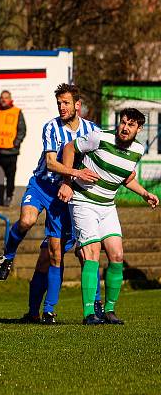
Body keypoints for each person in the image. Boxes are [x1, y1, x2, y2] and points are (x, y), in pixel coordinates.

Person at [0, 84, 102, 323]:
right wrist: (77, 173)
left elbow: (100, 160)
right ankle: (8, 255)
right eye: (59, 103)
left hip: (67, 196)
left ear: (77, 105)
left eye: (65, 103)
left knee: (55, 253)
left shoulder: (92, 130)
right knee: (27, 220)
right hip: (43, 185)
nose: (61, 107)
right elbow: (52, 163)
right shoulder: (51, 127)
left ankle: (50, 311)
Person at [58, 108, 158, 325]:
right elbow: (69, 148)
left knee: (117, 255)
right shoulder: (99, 137)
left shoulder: (138, 150)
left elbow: (125, 178)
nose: (125, 127)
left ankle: (110, 311)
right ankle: (89, 314)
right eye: (123, 122)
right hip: (84, 201)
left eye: (131, 125)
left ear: (139, 129)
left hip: (107, 206)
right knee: (92, 253)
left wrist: (145, 194)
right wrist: (67, 181)